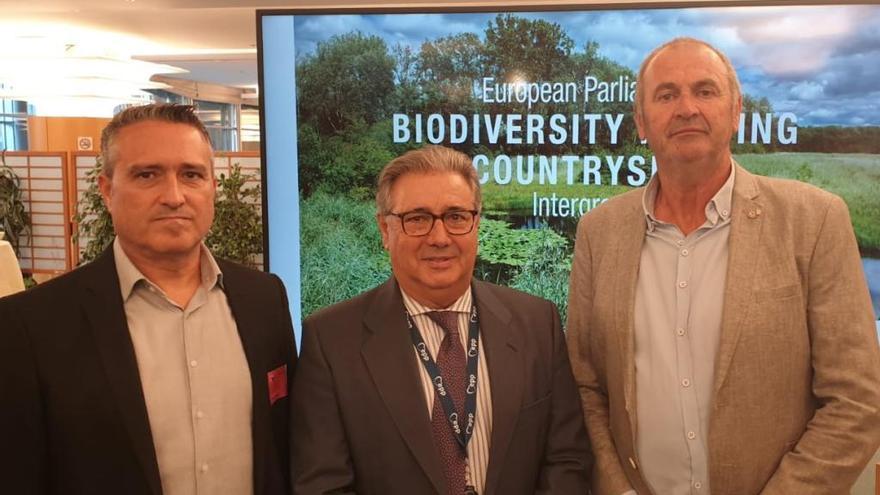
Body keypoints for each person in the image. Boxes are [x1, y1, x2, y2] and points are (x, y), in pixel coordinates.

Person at [566, 37, 880, 495]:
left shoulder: (815, 220)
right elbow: (586, 386)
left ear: (735, 113)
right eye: (667, 94)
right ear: (641, 122)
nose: (686, 108)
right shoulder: (599, 231)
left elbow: (856, 400)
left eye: (705, 91)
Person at [0, 104, 297, 495]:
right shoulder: (29, 326)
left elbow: (285, 443)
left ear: (212, 187)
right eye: (147, 175)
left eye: (191, 175)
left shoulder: (264, 298)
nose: (173, 196)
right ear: (107, 190)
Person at [291, 145, 591, 495]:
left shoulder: (538, 324)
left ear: (476, 224)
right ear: (385, 230)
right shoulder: (330, 341)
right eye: (417, 218)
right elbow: (322, 484)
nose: (439, 237)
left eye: (456, 216)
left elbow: (567, 460)